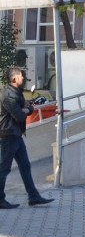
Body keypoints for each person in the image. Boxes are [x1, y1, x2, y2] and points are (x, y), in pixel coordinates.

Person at [1, 66, 54, 209]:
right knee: (4, 169)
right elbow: (20, 115)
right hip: (8, 135)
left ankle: (34, 197)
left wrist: (26, 108)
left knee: (25, 166)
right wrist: (26, 109)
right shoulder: (8, 95)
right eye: (21, 75)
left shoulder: (17, 92)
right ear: (14, 79)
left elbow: (28, 108)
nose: (23, 78)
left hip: (16, 134)